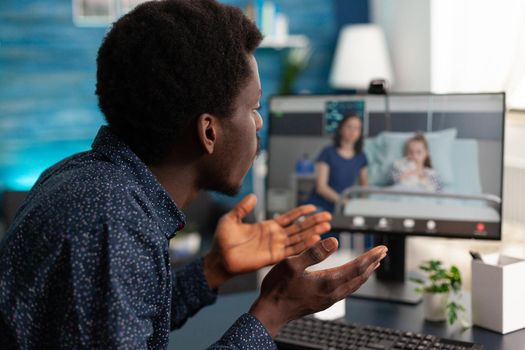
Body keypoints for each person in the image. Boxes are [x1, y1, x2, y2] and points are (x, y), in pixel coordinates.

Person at [0, 1, 387, 348]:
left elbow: (118, 322)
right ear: (209, 132)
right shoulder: (110, 222)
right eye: (253, 108)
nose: (259, 123)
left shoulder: (85, 178)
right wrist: (275, 309)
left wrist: (214, 268)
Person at [308, 113, 369, 213]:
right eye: (349, 126)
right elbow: (321, 187)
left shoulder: (361, 157)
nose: (353, 131)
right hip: (321, 205)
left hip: (344, 208)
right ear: (341, 129)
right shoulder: (328, 152)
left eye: (357, 128)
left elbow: (364, 187)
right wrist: (344, 202)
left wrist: (361, 206)